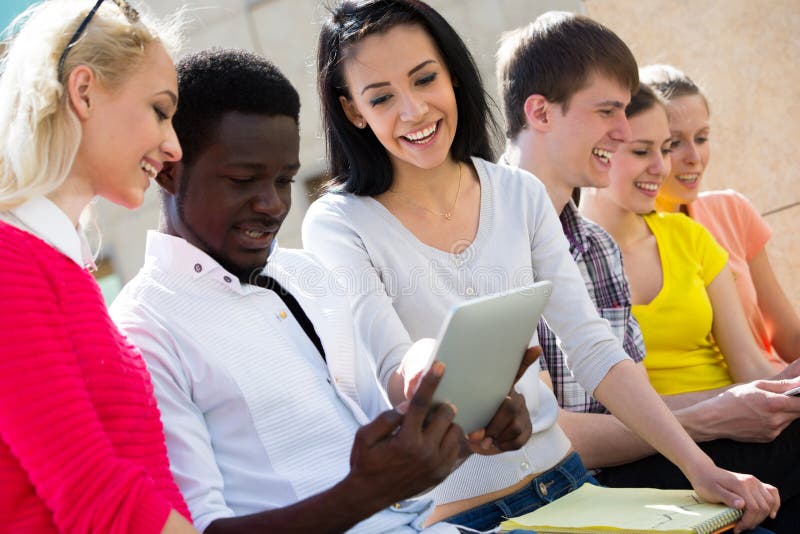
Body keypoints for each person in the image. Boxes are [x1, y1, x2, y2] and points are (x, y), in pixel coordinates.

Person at [302, 2, 778, 531]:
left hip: (571, 484)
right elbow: (392, 362)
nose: (413, 111)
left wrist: (698, 466)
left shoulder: (517, 192)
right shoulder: (336, 222)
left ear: (453, 75)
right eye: (382, 97)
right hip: (461, 518)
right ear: (353, 111)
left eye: (425, 79)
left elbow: (594, 347)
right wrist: (431, 372)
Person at [110, 47, 535, 534]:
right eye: (243, 180)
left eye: (284, 180)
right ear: (168, 169)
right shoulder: (142, 331)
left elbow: (389, 464)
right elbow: (201, 529)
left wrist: (468, 429)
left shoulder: (304, 276)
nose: (272, 205)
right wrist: (366, 492)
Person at [0, 1, 196, 532]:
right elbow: (96, 496)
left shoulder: (61, 267)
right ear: (83, 91)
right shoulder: (9, 262)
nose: (174, 146)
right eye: (160, 110)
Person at [576, 83, 800, 531]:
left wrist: (782, 389)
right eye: (644, 151)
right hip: (659, 448)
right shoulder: (569, 257)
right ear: (600, 153)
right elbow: (597, 415)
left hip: (739, 427)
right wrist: (723, 408)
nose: (663, 167)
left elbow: (750, 368)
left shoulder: (689, 236)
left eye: (665, 148)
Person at [641, 64, 800, 369]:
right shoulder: (627, 244)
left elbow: (788, 336)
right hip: (723, 405)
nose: (694, 157)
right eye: (674, 143)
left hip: (775, 385)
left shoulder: (733, 211)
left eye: (701, 138)